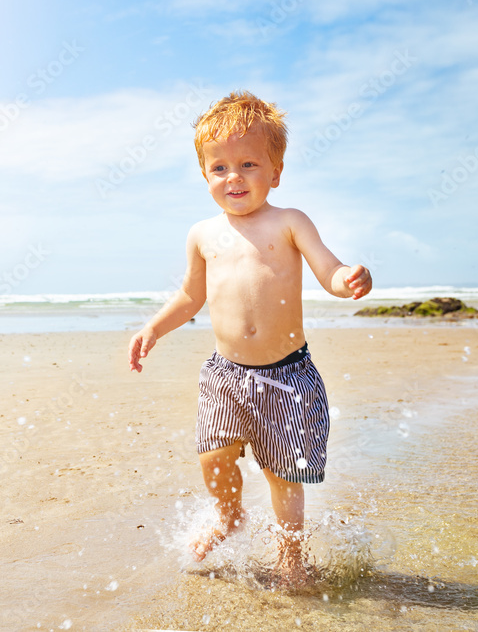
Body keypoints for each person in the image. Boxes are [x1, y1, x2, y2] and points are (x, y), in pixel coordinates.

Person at [127, 91, 372, 586]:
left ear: (275, 172)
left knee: (284, 472)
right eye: (219, 168)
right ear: (205, 175)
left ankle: (290, 555)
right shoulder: (202, 234)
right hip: (227, 374)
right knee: (213, 455)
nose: (232, 177)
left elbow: (326, 269)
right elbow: (191, 297)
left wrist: (346, 278)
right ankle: (229, 515)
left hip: (288, 375)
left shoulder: (289, 222)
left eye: (247, 164)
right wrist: (154, 326)